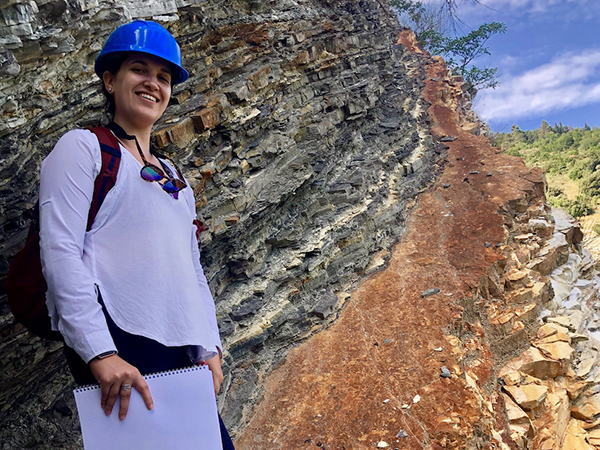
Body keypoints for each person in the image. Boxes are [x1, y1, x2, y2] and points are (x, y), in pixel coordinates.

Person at [38, 20, 235, 449]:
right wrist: (100, 353)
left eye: (164, 77)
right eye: (139, 70)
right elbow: (60, 253)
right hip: (121, 343)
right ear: (109, 80)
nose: (153, 83)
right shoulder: (83, 148)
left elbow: (190, 269)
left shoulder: (173, 176)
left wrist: (208, 345)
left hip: (182, 352)